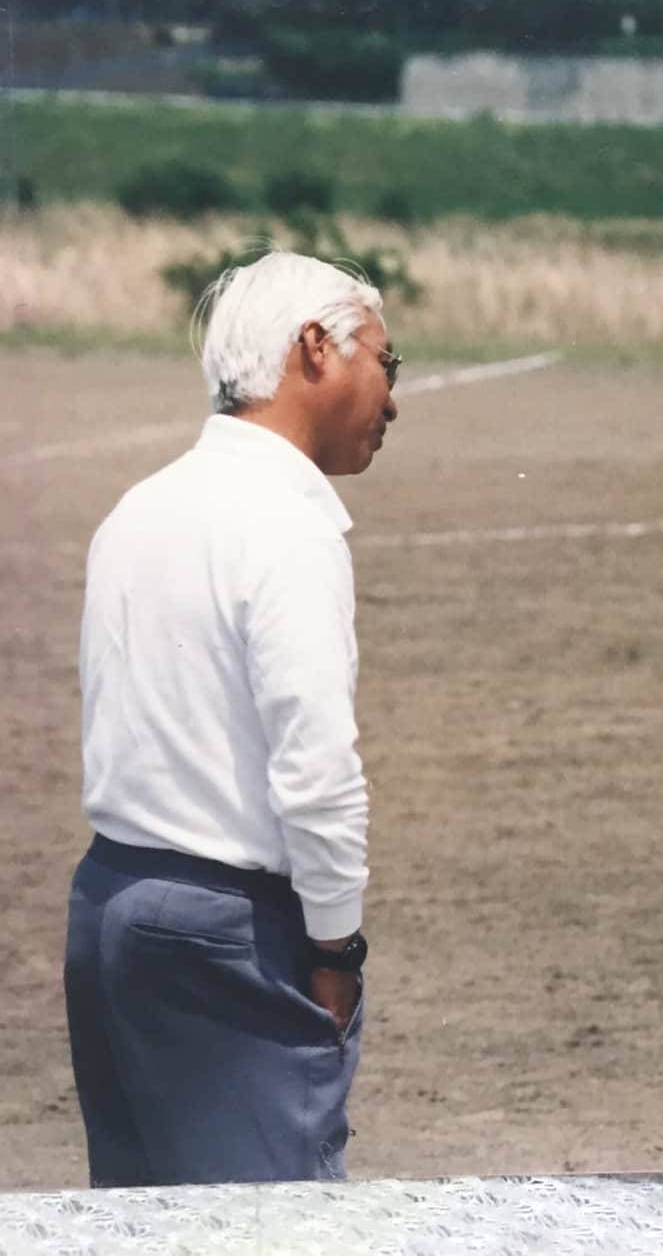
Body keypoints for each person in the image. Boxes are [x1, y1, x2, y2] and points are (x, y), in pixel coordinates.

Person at [63, 250, 401, 1187]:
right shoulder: (288, 522)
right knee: (273, 1225)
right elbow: (317, 766)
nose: (393, 396)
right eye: (385, 361)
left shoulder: (141, 506)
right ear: (314, 348)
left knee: (142, 1226)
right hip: (226, 930)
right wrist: (337, 948)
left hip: (110, 903)